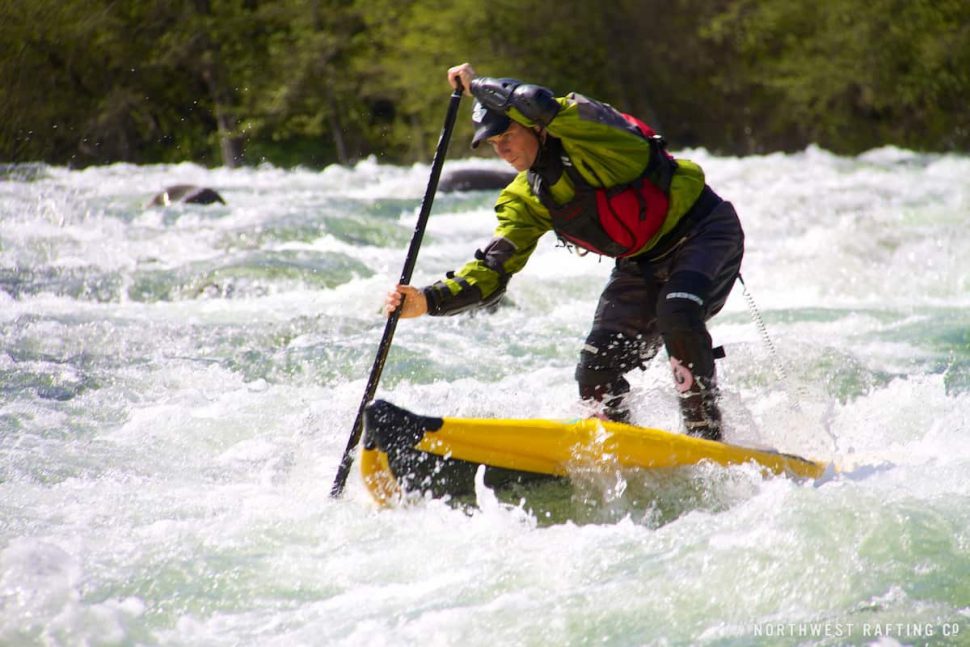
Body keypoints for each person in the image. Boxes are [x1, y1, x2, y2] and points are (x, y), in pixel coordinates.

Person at [385, 63, 744, 441]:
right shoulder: (526, 197)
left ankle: (706, 437)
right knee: (594, 367)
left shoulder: (592, 136)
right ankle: (619, 445)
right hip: (641, 261)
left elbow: (539, 101)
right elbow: (493, 270)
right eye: (493, 143)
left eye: (506, 134)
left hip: (703, 232)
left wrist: (477, 87)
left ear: (536, 127)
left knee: (678, 311)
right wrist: (427, 300)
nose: (502, 148)